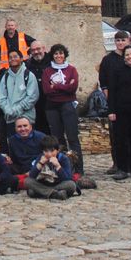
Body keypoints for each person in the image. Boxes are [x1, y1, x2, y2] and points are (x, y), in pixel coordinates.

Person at [106, 46, 131, 181]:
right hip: (120, 110)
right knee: (120, 140)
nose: (130, 57)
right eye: (127, 55)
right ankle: (122, 168)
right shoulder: (117, 71)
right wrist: (111, 110)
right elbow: (111, 92)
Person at [41, 44, 82, 173]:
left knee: (72, 137)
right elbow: (47, 90)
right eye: (56, 54)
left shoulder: (72, 70)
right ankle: (62, 167)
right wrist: (64, 86)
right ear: (52, 56)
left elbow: (73, 88)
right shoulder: (47, 71)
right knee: (57, 139)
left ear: (65, 55)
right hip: (52, 107)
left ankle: (78, 169)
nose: (59, 56)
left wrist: (56, 87)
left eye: (61, 53)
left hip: (68, 105)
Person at [97, 29, 131, 175]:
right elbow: (103, 78)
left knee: (130, 134)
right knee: (115, 134)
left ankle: (130, 163)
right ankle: (117, 163)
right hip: (114, 100)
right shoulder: (108, 59)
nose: (120, 43)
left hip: (130, 100)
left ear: (128, 41)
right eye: (118, 40)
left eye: (123, 40)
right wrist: (106, 92)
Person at [0, 50, 40, 142]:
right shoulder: (5, 77)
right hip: (10, 119)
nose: (13, 59)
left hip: (26, 118)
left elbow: (32, 97)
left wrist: (16, 110)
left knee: (29, 145)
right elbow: (2, 97)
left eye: (15, 56)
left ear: (21, 59)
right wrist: (7, 110)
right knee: (14, 147)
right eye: (10, 57)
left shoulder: (29, 75)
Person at [26, 136, 77, 201]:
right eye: (46, 151)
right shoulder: (41, 157)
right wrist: (40, 163)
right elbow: (31, 176)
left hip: (58, 185)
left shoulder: (63, 158)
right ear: (42, 151)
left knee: (71, 185)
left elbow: (67, 178)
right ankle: (54, 194)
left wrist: (58, 166)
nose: (49, 154)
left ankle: (44, 193)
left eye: (52, 151)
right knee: (27, 181)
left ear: (57, 150)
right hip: (43, 184)